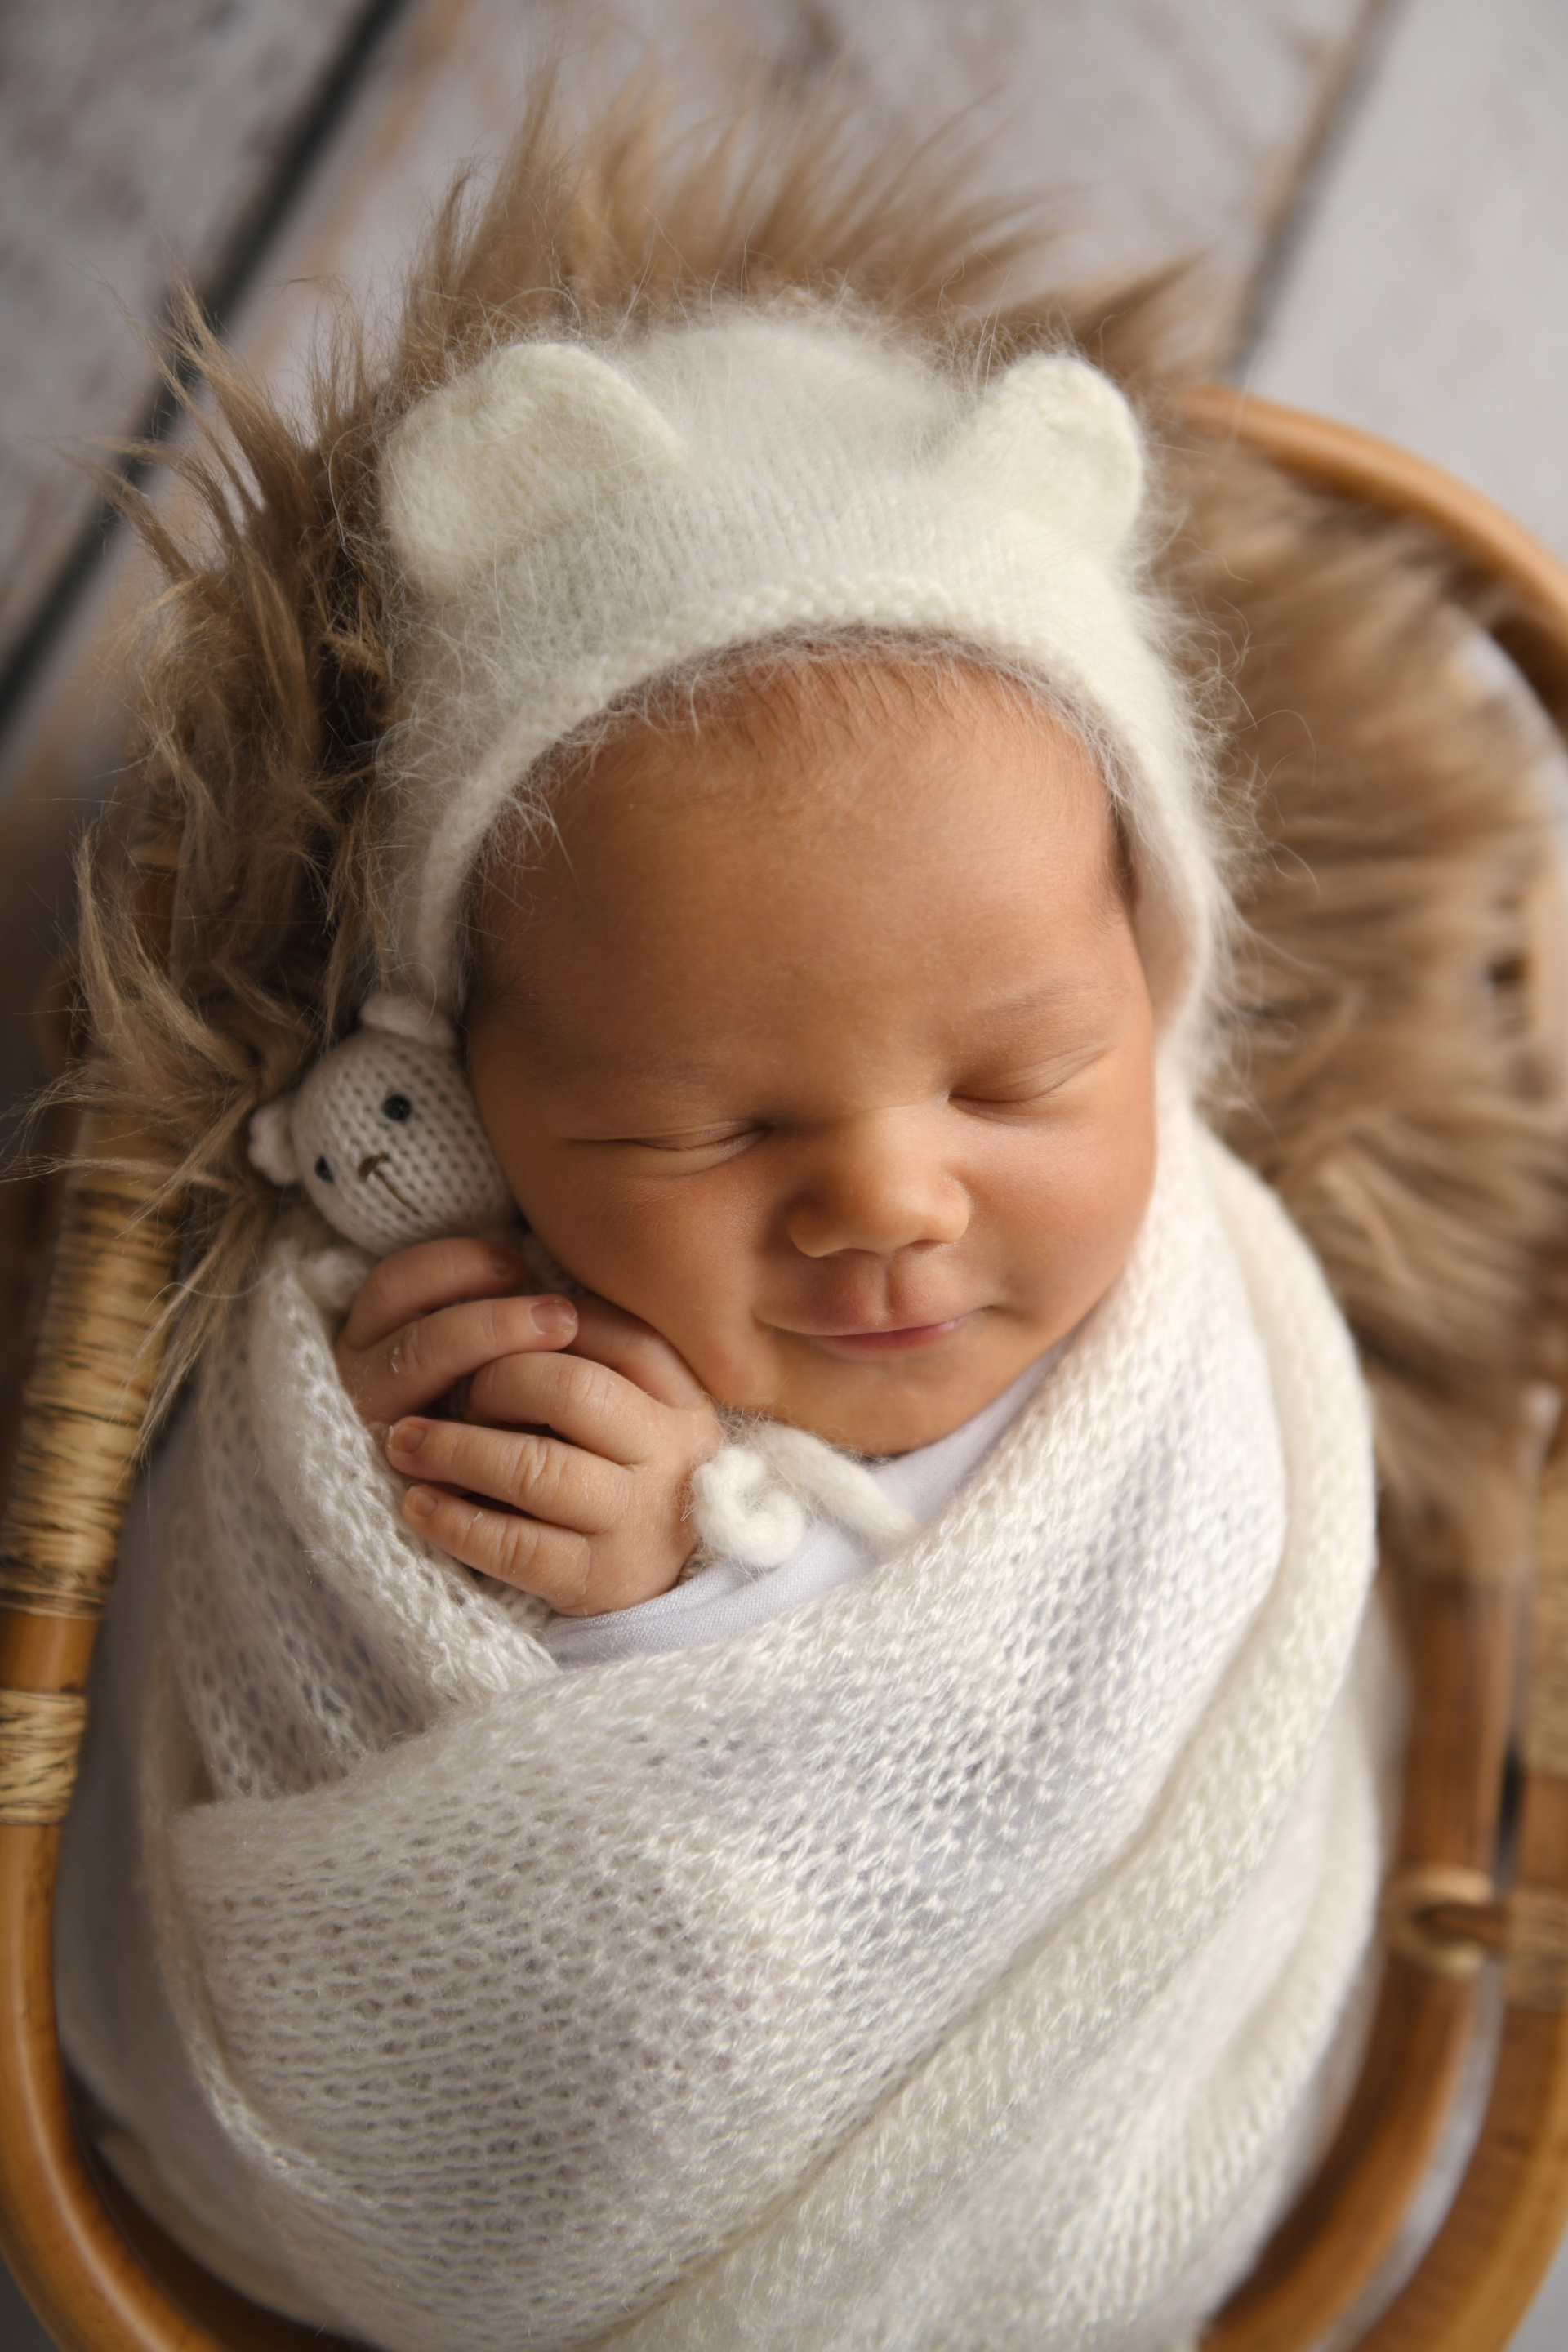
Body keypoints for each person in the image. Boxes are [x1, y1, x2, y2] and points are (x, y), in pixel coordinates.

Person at [49, 83, 1559, 2352]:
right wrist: (602, 1578)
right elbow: (354, 1746)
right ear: (465, 1095)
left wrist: (745, 1560)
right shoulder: (461, 1316)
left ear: (1153, 1005)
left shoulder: (1191, 1338)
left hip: (1098, 2109)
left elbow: (1206, 1687)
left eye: (1017, 1079)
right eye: (709, 1125)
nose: (884, 1195)